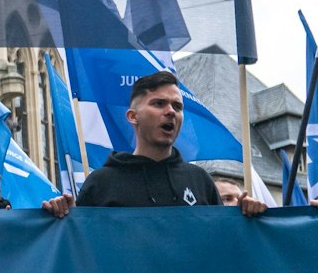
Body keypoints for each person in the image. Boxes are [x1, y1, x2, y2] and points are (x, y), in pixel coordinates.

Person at [75, 71, 265, 214]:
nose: (171, 111)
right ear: (133, 116)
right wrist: (57, 212)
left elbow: (222, 246)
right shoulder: (101, 184)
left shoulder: (200, 181)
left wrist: (247, 216)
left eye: (177, 106)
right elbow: (77, 248)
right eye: (158, 104)